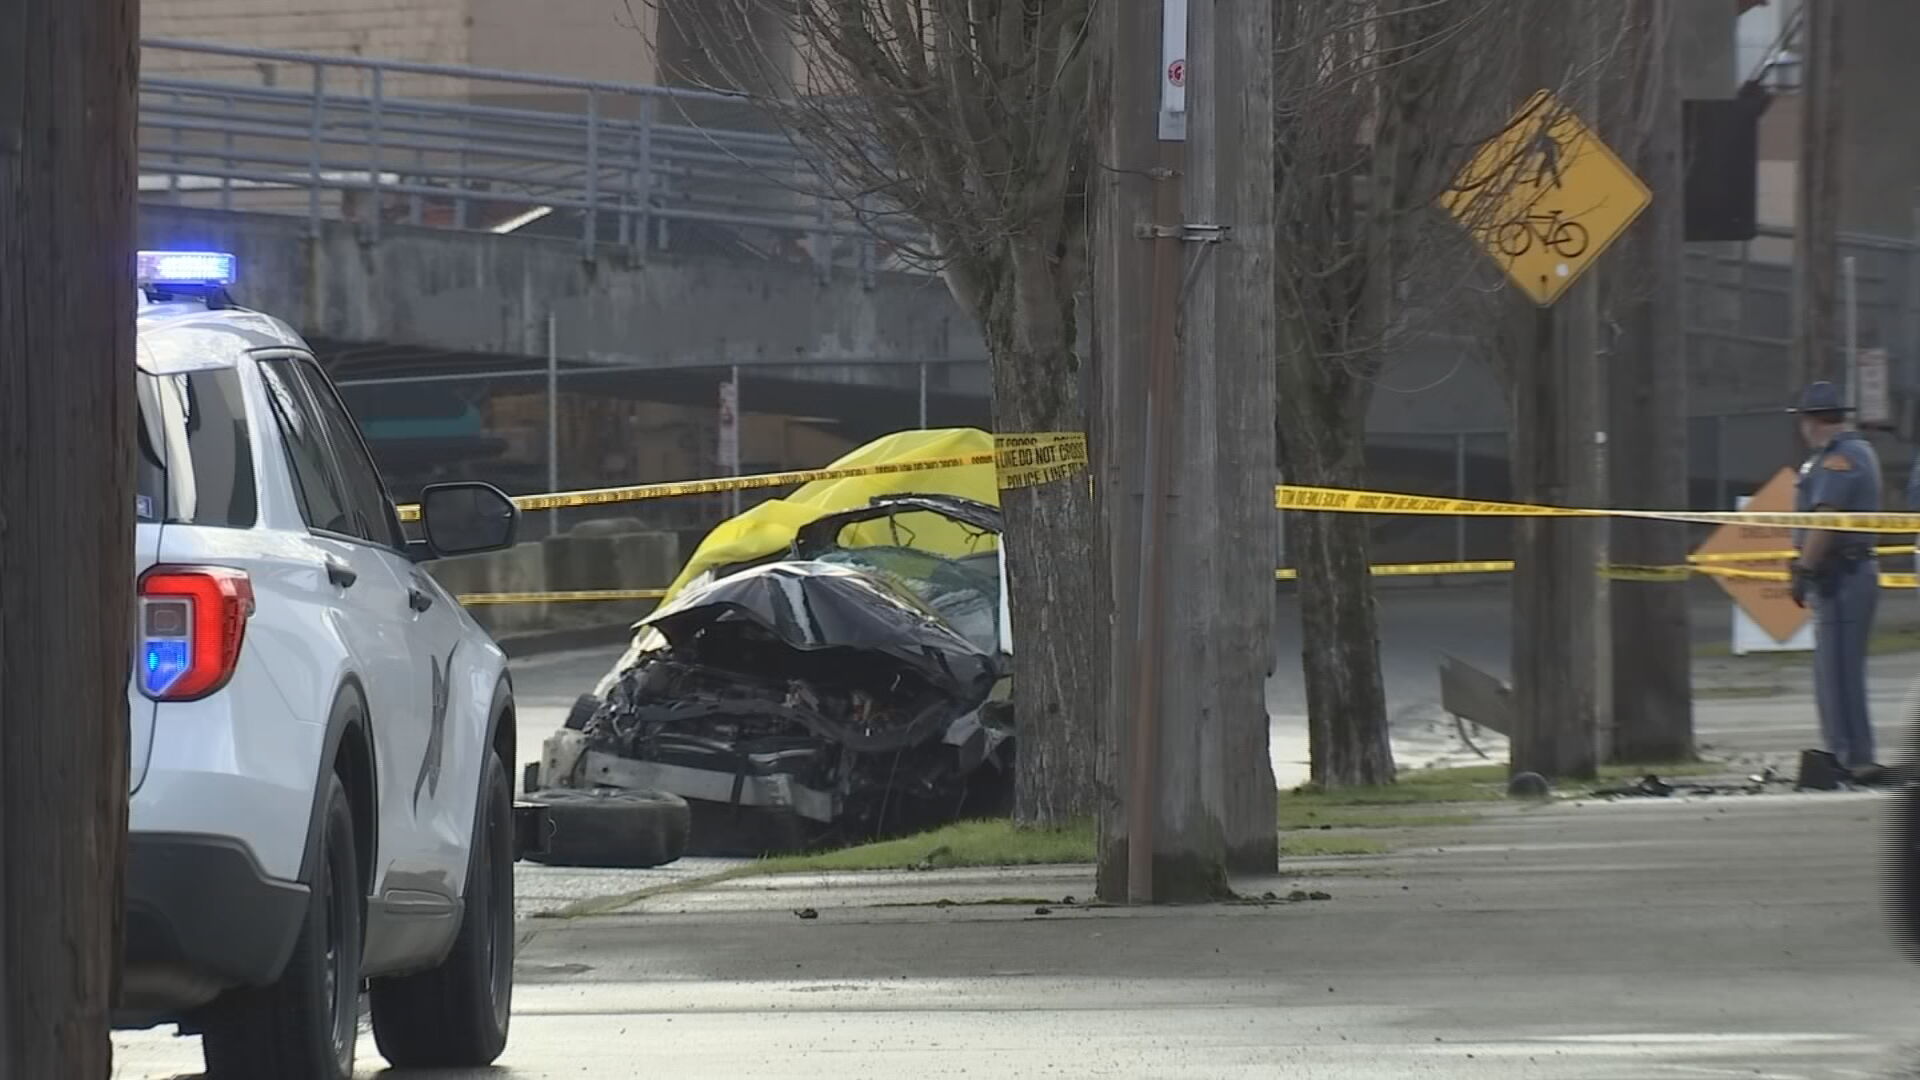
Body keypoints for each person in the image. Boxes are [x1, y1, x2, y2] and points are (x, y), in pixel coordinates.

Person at [1789, 380, 1884, 779]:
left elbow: (1826, 520)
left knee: (1840, 672)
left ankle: (1852, 758)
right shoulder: (1845, 454)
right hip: (1841, 576)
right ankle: (1845, 753)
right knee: (1834, 671)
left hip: (1843, 576)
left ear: (1813, 421)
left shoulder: (1840, 459)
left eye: (1802, 420)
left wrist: (1805, 568)